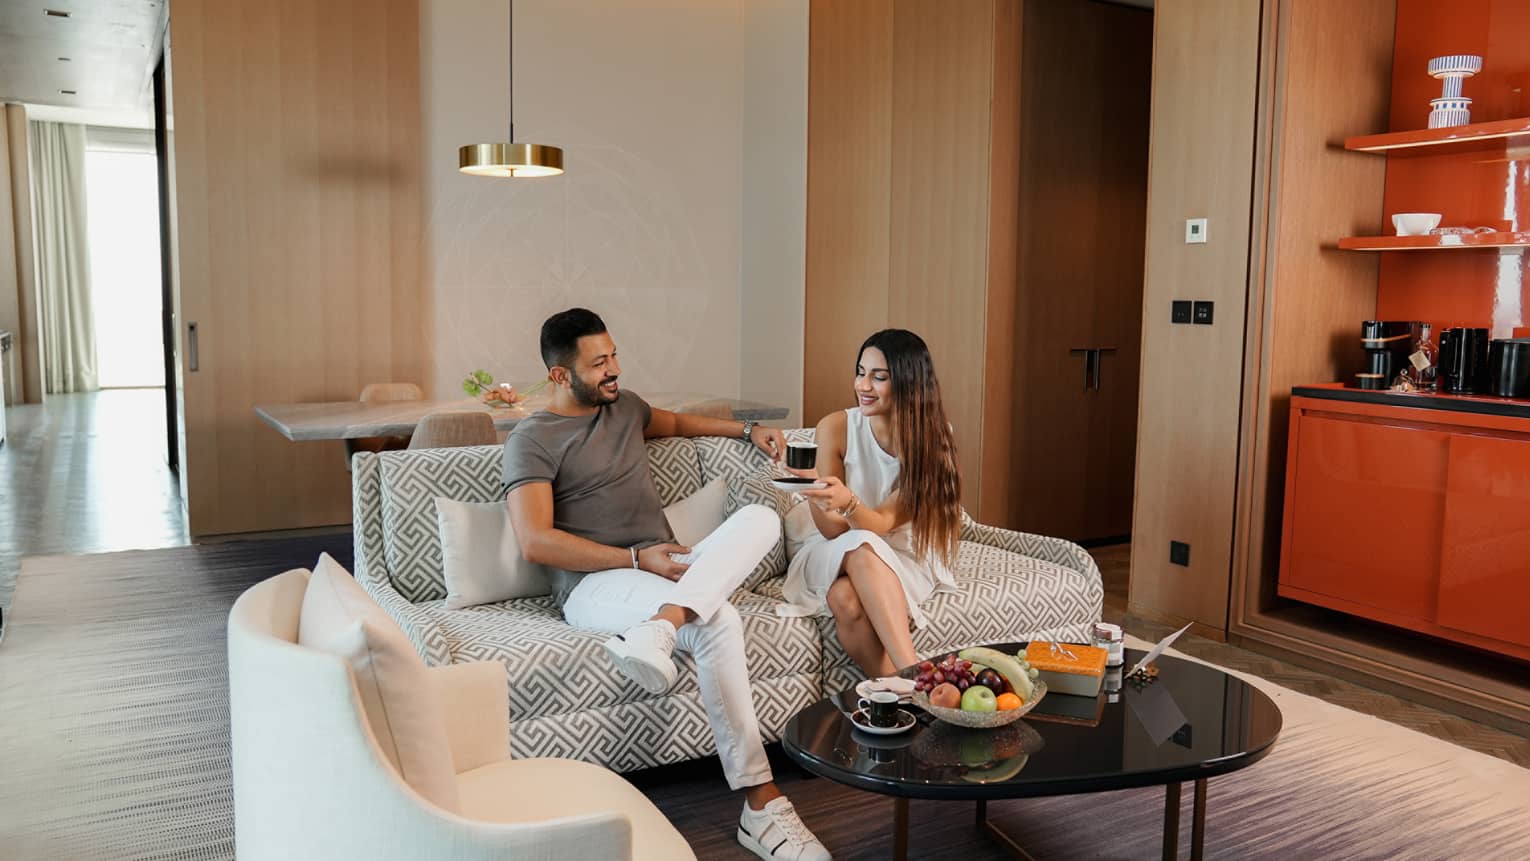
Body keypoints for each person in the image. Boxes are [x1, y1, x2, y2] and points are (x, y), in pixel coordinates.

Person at [504, 308, 832, 861]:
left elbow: (678, 423)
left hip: (667, 569)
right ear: (561, 375)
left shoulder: (625, 408)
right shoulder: (532, 439)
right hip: (596, 585)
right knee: (719, 618)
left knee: (762, 519)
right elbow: (535, 541)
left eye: (614, 355)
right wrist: (636, 556)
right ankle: (762, 805)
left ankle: (662, 626)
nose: (614, 369)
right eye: (599, 362)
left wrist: (750, 430)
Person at [782, 329, 963, 678]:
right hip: (828, 548)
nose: (863, 385)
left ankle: (899, 692)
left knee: (845, 598)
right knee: (860, 546)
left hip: (899, 553)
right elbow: (834, 532)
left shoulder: (934, 440)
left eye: (878, 377)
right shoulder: (835, 427)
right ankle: (917, 675)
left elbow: (883, 522)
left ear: (910, 383)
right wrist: (818, 496)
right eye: (860, 372)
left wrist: (847, 501)